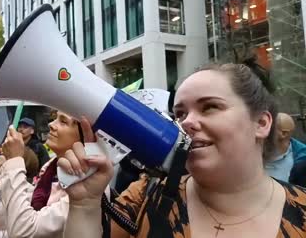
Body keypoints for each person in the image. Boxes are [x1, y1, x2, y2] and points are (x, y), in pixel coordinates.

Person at [60, 62, 306, 238]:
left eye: (210, 107)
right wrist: (84, 206)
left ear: (261, 123)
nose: (185, 123)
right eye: (180, 113)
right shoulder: (144, 195)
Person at [0, 111, 101, 238]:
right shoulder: (50, 170)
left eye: (63, 121)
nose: (51, 124)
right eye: (54, 119)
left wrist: (14, 162)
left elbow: (24, 231)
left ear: (86, 135)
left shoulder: (90, 184)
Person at [265, 112, 306, 182]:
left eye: (269, 128)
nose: (261, 130)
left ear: (283, 134)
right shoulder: (252, 154)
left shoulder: (302, 159)